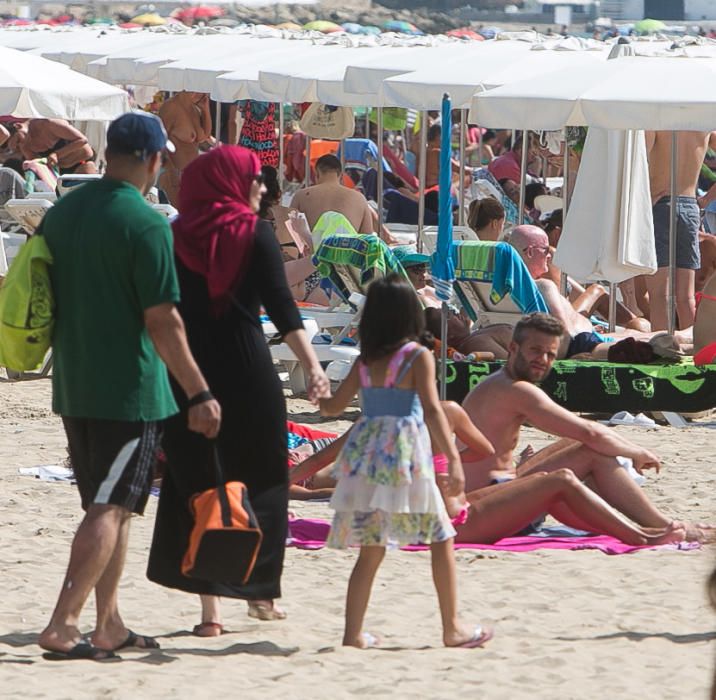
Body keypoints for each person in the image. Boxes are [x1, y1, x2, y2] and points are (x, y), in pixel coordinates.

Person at [37, 112, 222, 661]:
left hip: (73, 380)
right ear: (151, 158)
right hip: (130, 389)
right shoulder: (144, 224)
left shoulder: (63, 213)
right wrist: (200, 391)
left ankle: (109, 624)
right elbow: (164, 321)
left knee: (107, 506)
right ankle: (63, 623)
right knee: (110, 510)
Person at [146, 146, 330, 635]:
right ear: (230, 181)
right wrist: (312, 366)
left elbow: (159, 314)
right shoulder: (255, 235)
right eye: (254, 178)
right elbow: (283, 310)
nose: (262, 187)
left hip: (185, 376)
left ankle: (210, 614)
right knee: (265, 482)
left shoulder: (172, 237)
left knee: (199, 483)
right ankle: (261, 595)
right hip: (248, 373)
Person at [318, 275, 492, 649]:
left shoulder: (365, 362)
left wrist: (320, 391)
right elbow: (431, 410)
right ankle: (452, 628)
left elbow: (333, 408)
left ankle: (352, 634)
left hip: (367, 459)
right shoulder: (417, 357)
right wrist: (453, 462)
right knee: (441, 537)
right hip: (405, 457)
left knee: (371, 547)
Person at [460, 313, 711, 542]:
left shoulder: (499, 383)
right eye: (535, 351)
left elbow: (582, 434)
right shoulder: (515, 390)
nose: (543, 360)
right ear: (513, 349)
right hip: (483, 506)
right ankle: (663, 528)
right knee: (591, 451)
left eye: (550, 354)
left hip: (496, 490)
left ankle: (642, 524)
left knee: (580, 446)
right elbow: (590, 432)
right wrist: (636, 452)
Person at [645, 130, 716, 330]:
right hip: (690, 203)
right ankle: (695, 348)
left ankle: (661, 347)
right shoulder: (702, 125)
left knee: (659, 295)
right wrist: (706, 199)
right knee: (686, 297)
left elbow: (638, 161)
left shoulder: (658, 121)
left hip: (660, 202)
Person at [290, 154, 375, 234]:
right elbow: (367, 237)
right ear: (341, 176)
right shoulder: (359, 198)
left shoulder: (301, 196)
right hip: (347, 248)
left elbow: (290, 230)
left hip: (315, 249)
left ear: (317, 174)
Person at [158, 91, 214, 205]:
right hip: (174, 175)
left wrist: (205, 108)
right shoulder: (170, 107)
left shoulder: (193, 109)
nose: (204, 94)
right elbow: (159, 142)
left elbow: (204, 136)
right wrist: (171, 175)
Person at [8, 118, 93, 174]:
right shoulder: (25, 145)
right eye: (16, 147)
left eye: (18, 140)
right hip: (58, 174)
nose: (20, 144)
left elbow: (82, 140)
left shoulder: (49, 124)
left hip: (80, 162)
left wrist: (57, 154)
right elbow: (38, 167)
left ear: (18, 126)